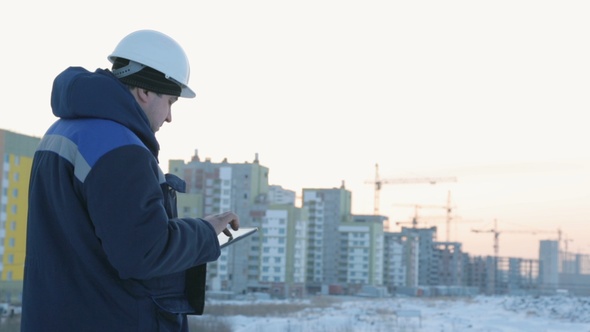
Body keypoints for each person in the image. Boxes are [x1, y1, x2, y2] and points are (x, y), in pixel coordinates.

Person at [21, 29, 239, 331]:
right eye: (171, 102)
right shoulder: (120, 150)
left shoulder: (62, 130)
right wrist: (206, 232)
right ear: (145, 92)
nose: (169, 117)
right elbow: (144, 254)